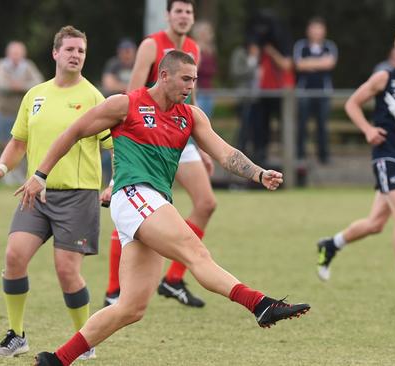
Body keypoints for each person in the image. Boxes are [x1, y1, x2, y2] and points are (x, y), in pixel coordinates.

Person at [15, 49, 311, 366]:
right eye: (186, 79)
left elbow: (226, 154)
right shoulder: (125, 104)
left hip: (151, 203)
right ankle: (260, 304)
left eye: (195, 80)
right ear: (164, 75)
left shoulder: (191, 116)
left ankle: (56, 360)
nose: (191, 86)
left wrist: (259, 173)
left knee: (131, 308)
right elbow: (73, 132)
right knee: (195, 252)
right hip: (133, 195)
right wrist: (40, 175)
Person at [0, 26, 112, 359]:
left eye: (81, 51)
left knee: (67, 271)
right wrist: (2, 166)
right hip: (35, 194)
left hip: (79, 195)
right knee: (14, 257)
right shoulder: (35, 95)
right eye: (69, 49)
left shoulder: (94, 97)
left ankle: (85, 342)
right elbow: (18, 142)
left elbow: (115, 147)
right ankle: (17, 335)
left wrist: (114, 183)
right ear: (55, 53)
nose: (75, 55)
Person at [102, 0, 216, 309]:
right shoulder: (151, 45)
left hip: (178, 132)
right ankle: (113, 290)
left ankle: (173, 279)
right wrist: (117, 172)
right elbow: (130, 101)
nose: (183, 16)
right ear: (168, 15)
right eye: (178, 11)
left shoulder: (193, 48)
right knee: (134, 207)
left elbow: (190, 97)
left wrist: (201, 143)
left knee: (206, 203)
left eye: (188, 12)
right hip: (145, 136)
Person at [316, 29, 395, 300]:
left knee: (375, 224)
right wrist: (368, 130)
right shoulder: (384, 78)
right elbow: (352, 104)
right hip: (385, 156)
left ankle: (330, 245)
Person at [247, 9, 294, 166]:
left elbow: (286, 65)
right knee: (260, 125)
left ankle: (288, 156)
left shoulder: (282, 40)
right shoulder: (257, 43)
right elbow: (252, 64)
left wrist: (271, 51)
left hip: (280, 91)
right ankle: (260, 154)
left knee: (284, 125)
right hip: (262, 91)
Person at [0, 41, 44, 184]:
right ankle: (6, 172)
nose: (16, 56)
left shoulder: (28, 66)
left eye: (18, 53)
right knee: (6, 142)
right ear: (8, 54)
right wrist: (23, 86)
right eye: (13, 53)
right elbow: (1, 84)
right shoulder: (1, 65)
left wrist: (18, 86)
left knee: (24, 144)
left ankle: (22, 173)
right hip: (5, 110)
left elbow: (38, 82)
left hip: (24, 112)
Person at [293, 17, 337, 166]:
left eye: (319, 28)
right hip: (304, 92)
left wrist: (310, 63)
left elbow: (329, 63)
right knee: (302, 125)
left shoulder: (330, 46)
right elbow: (299, 65)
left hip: (323, 93)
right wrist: (319, 63)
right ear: (308, 30)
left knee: (322, 126)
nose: (316, 32)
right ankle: (300, 156)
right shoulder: (301, 46)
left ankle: (323, 157)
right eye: (313, 28)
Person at [100, 38, 137, 185]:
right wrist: (130, 87)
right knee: (109, 145)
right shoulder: (113, 65)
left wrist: (121, 86)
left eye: (129, 51)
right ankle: (107, 177)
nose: (127, 55)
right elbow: (109, 84)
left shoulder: (137, 64)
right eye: (124, 51)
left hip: (132, 112)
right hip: (113, 111)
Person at [192, 21, 217, 118]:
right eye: (205, 32)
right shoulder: (196, 48)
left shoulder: (211, 50)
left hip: (209, 90)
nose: (209, 35)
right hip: (199, 91)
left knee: (207, 120)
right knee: (198, 118)